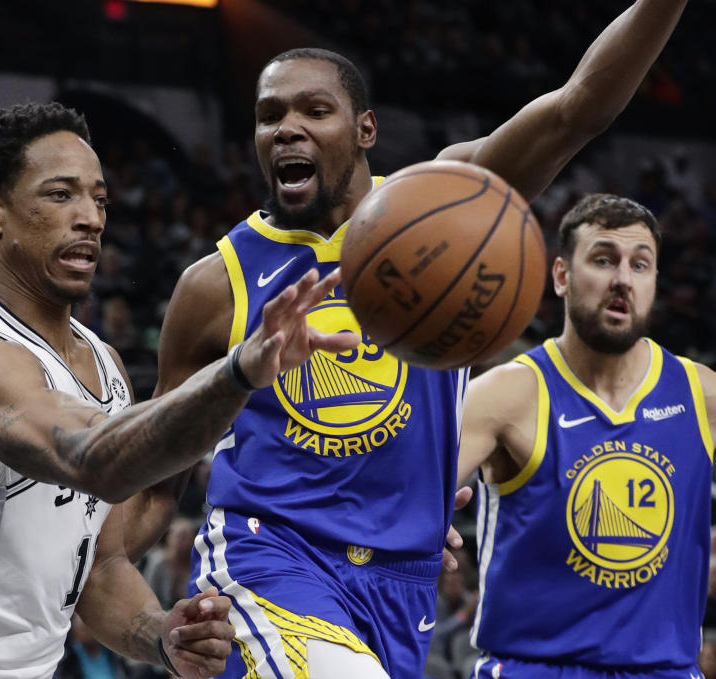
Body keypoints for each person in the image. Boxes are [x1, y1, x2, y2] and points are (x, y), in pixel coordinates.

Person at [134, 2, 689, 677]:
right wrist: (122, 598)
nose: (287, 129)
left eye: (314, 110)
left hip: (405, 584)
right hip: (268, 557)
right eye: (269, 115)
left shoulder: (441, 211)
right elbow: (153, 475)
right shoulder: (216, 284)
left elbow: (579, 109)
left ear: (366, 129)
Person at [0, 102, 358, 679]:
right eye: (61, 195)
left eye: (99, 199)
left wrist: (161, 636)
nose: (91, 218)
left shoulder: (102, 364)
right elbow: (92, 460)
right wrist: (236, 373)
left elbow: (99, 566)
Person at [457, 194, 714, 677]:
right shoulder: (507, 394)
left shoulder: (702, 395)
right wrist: (426, 520)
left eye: (640, 265)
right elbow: (407, 500)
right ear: (561, 276)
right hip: (534, 668)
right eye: (603, 259)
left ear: (654, 283)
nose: (622, 279)